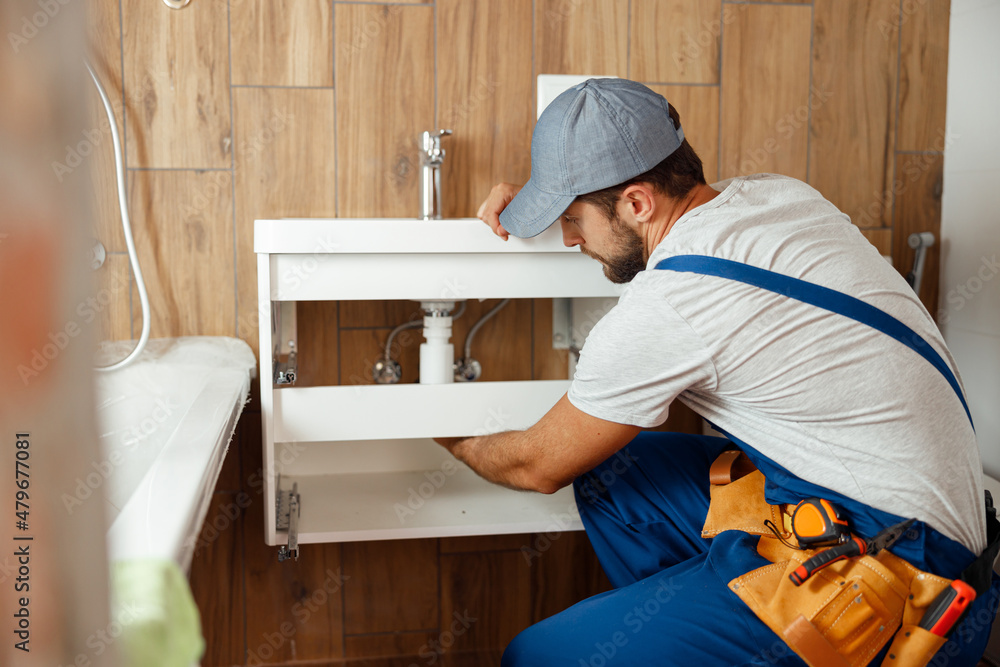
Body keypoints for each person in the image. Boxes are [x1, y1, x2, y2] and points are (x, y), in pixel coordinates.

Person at [433, 78, 999, 666]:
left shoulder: (672, 303)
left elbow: (537, 464)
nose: (570, 237)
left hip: (906, 593)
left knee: (537, 657)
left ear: (636, 203)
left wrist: (447, 435)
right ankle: (702, 624)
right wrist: (547, 197)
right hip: (896, 523)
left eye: (573, 217)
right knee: (614, 474)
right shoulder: (778, 195)